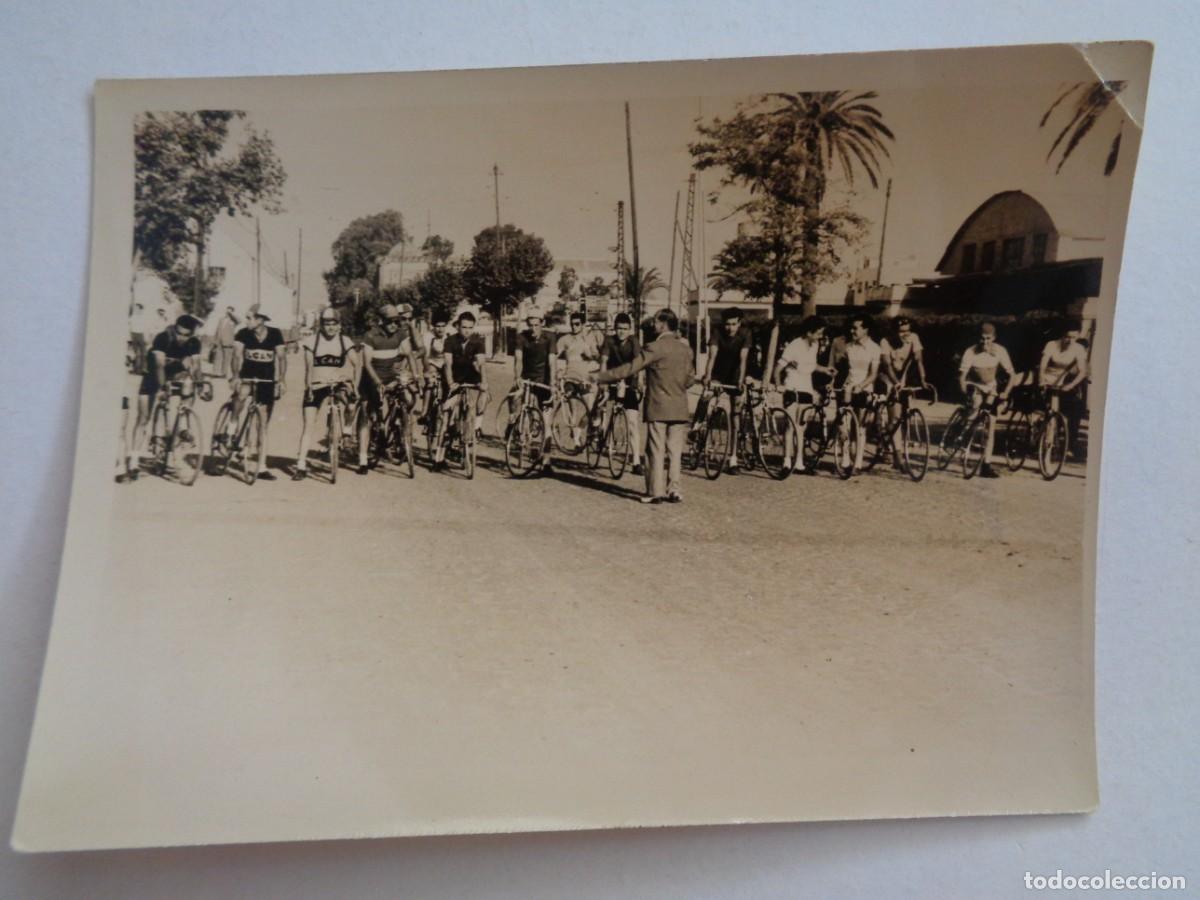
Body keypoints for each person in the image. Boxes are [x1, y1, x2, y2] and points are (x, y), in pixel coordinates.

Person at [591, 309, 694, 504]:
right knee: (675, 451)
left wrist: (601, 377)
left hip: (658, 405)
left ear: (663, 324)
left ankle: (654, 492)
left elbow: (630, 368)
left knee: (655, 450)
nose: (653, 325)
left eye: (656, 322)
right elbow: (690, 380)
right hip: (680, 406)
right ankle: (674, 490)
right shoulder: (685, 350)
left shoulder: (653, 348)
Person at [129, 313, 204, 476]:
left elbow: (197, 366)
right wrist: (162, 388)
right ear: (174, 329)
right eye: (179, 333)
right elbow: (159, 366)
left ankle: (182, 423)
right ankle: (134, 459)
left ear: (191, 334)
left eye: (186, 335)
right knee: (143, 417)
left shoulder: (194, 342)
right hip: (153, 374)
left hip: (176, 373)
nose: (182, 338)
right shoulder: (163, 338)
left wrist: (201, 384)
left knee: (190, 383)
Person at [293, 308, 361, 480]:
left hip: (337, 383)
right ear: (321, 325)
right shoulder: (312, 341)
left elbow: (358, 363)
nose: (330, 327)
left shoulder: (344, 341)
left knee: (352, 403)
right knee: (309, 424)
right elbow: (309, 368)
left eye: (334, 324)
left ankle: (346, 432)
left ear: (339, 325)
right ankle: (301, 465)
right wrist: (309, 387)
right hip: (317, 385)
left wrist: (355, 385)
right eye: (327, 324)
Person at [357, 303, 424, 475]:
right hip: (372, 378)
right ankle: (363, 458)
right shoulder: (371, 335)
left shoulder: (400, 334)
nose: (394, 324)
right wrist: (378, 383)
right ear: (381, 321)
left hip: (391, 376)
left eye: (397, 321)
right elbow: (367, 364)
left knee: (407, 399)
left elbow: (409, 355)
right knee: (366, 414)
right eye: (390, 321)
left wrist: (416, 377)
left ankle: (398, 429)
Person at [227, 305, 286, 480]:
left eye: (249, 318)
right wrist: (235, 376)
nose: (246, 321)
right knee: (241, 395)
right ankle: (232, 426)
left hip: (266, 379)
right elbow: (236, 355)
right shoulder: (243, 333)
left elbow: (281, 357)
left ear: (260, 320)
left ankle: (261, 467)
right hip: (247, 375)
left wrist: (281, 379)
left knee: (262, 424)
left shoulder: (275, 334)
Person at [775, 315, 836, 471]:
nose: (820, 336)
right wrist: (779, 385)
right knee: (790, 425)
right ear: (809, 332)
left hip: (806, 389)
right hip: (792, 387)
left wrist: (825, 370)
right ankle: (786, 461)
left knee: (801, 426)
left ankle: (799, 462)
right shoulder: (794, 345)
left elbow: (811, 366)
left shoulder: (814, 345)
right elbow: (778, 369)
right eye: (818, 333)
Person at [958, 322, 1015, 478]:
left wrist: (1006, 393)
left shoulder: (1000, 351)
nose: (985, 342)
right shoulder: (970, 351)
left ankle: (986, 465)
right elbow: (962, 377)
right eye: (982, 338)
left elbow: (1012, 375)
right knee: (975, 406)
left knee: (991, 423)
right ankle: (964, 432)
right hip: (974, 385)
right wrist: (965, 393)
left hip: (991, 388)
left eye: (988, 338)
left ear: (994, 338)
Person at [433, 311, 489, 469]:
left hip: (470, 376)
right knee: (446, 418)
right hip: (453, 378)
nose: (467, 331)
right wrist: (451, 382)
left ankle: (476, 426)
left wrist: (484, 382)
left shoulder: (478, 342)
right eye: (464, 327)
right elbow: (448, 364)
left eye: (470, 328)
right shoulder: (450, 341)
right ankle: (439, 458)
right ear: (458, 327)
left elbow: (481, 364)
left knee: (486, 394)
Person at [702, 307, 752, 473]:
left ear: (739, 323)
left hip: (735, 373)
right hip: (718, 372)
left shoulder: (745, 334)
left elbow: (743, 359)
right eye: (727, 324)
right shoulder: (717, 332)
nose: (730, 328)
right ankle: (697, 426)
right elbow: (712, 356)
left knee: (735, 415)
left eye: (733, 324)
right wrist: (707, 376)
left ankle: (733, 458)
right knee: (707, 395)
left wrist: (740, 380)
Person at [877, 316, 930, 463]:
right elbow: (887, 365)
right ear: (894, 332)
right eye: (901, 331)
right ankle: (896, 454)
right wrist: (895, 383)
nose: (905, 334)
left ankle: (892, 443)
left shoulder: (914, 338)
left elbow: (918, 360)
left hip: (903, 378)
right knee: (894, 417)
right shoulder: (885, 341)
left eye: (908, 331)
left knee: (903, 415)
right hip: (886, 378)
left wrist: (923, 379)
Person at [598, 312, 645, 476]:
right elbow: (603, 361)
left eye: (624, 329)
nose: (621, 332)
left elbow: (639, 363)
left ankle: (636, 461)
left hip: (629, 383)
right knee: (602, 405)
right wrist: (603, 381)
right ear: (615, 328)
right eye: (619, 328)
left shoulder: (634, 342)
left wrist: (640, 381)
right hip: (612, 379)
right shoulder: (609, 341)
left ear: (629, 329)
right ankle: (598, 428)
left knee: (632, 423)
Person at [833, 313, 881, 474]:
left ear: (866, 329)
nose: (852, 331)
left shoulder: (875, 348)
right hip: (848, 389)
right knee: (844, 426)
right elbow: (845, 370)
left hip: (864, 389)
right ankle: (846, 460)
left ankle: (858, 463)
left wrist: (861, 386)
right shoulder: (849, 347)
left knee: (860, 427)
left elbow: (873, 374)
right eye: (851, 328)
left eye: (855, 328)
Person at [513, 307, 558, 473]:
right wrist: (517, 377)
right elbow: (518, 359)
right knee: (517, 405)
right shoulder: (521, 337)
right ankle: (518, 432)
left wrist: (552, 384)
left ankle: (546, 460)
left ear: (542, 323)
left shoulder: (550, 337)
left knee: (547, 422)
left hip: (544, 382)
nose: (533, 329)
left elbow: (552, 362)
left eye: (536, 325)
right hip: (527, 380)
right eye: (530, 325)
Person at [1038, 320, 1089, 458]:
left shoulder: (1079, 349)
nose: (1070, 340)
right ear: (1063, 335)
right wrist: (1041, 380)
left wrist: (1070, 385)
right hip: (1047, 379)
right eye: (1067, 337)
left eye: (1074, 337)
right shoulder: (1051, 345)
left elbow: (1082, 372)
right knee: (1046, 409)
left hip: (1063, 382)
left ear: (1078, 336)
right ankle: (1041, 434)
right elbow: (1042, 365)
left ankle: (1068, 444)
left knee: (1074, 409)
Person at [420, 309, 451, 423]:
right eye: (438, 326)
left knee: (449, 384)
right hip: (432, 362)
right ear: (433, 326)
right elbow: (425, 355)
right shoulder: (428, 336)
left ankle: (447, 409)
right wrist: (427, 371)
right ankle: (424, 411)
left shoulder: (450, 333)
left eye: (443, 326)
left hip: (446, 362)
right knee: (430, 383)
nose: (440, 329)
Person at [213, 306, 239, 378]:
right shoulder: (221, 319)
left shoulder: (233, 321)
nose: (227, 312)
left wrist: (231, 314)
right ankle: (216, 373)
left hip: (228, 342)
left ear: (232, 312)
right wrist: (215, 341)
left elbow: (238, 321)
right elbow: (217, 330)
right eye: (227, 310)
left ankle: (224, 374)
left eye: (230, 311)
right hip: (219, 341)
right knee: (218, 357)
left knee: (226, 359)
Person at [128, 303, 148, 374]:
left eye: (137, 308)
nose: (136, 310)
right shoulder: (132, 317)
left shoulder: (144, 317)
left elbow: (146, 328)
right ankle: (135, 369)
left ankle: (143, 369)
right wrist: (130, 337)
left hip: (141, 335)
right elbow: (130, 326)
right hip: (134, 334)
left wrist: (146, 337)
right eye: (135, 308)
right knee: (135, 353)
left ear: (140, 309)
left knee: (143, 353)